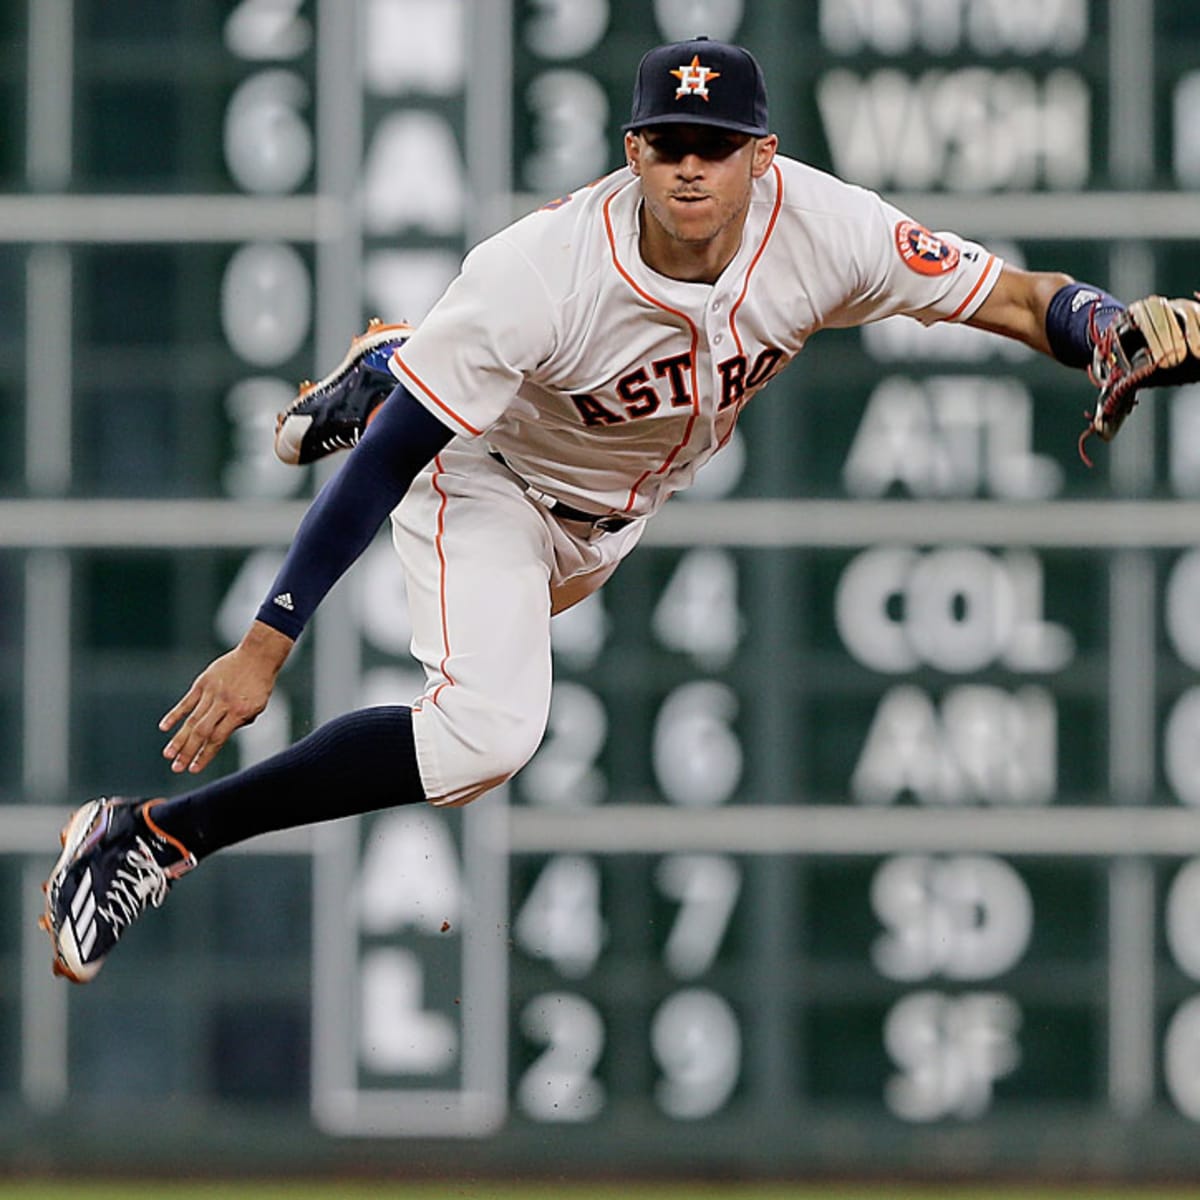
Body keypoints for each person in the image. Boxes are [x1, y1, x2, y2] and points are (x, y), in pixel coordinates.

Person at [41, 36, 1200, 982]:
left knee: (474, 397)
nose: (695, 168)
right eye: (671, 145)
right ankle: (152, 835)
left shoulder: (828, 228)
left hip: (611, 519)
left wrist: (1102, 326)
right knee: (488, 734)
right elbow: (389, 466)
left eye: (720, 146)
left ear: (764, 157)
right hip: (483, 481)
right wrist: (265, 643)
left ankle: (410, 356)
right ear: (633, 152)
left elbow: (1015, 295)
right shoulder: (542, 270)